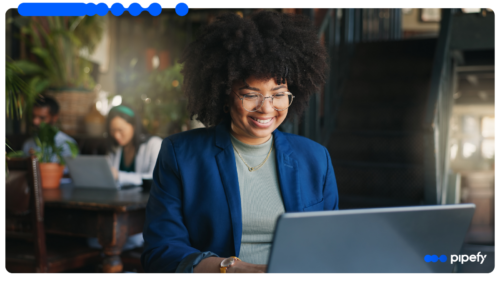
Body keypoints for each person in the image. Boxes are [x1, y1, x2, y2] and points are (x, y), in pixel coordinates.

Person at [142, 11, 338, 273]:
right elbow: (161, 250)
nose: (266, 108)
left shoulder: (316, 158)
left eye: (278, 94)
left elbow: (330, 244)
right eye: (250, 95)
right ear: (224, 95)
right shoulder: (180, 154)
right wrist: (230, 269)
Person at [88, 105, 162, 251]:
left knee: (125, 239)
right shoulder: (115, 148)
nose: (116, 135)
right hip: (118, 211)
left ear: (134, 125)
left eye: (120, 130)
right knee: (94, 240)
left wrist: (119, 175)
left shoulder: (154, 145)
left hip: (144, 213)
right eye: (112, 131)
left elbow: (153, 178)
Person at [22, 95, 77, 164]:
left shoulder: (66, 143)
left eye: (42, 118)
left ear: (55, 118)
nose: (35, 121)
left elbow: (69, 171)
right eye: (33, 116)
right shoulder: (28, 144)